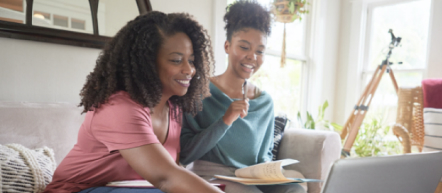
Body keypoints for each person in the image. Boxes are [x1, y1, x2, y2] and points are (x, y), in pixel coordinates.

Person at [43, 11, 223, 193]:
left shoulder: (173, 110)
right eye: (177, 60)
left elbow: (171, 174)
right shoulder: (118, 108)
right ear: (146, 63)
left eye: (191, 61)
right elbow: (166, 178)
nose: (189, 70)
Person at [179, 1, 306, 193]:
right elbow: (186, 155)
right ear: (227, 46)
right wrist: (226, 120)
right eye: (244, 47)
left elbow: (264, 156)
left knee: (295, 188)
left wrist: (270, 172)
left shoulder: (265, 103)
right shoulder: (199, 91)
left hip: (251, 178)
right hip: (212, 178)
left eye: (260, 51)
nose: (252, 57)